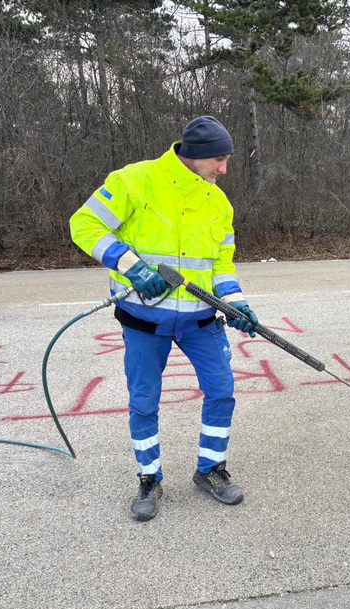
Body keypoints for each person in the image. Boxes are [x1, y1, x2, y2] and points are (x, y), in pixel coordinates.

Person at [70, 116, 258, 522]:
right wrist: (131, 266)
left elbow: (221, 262)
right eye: (220, 161)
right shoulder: (134, 181)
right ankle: (149, 476)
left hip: (202, 320)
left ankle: (210, 469)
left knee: (222, 391)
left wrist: (236, 302)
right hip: (144, 319)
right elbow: (83, 224)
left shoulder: (217, 202)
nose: (224, 170)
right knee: (144, 401)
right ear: (195, 156)